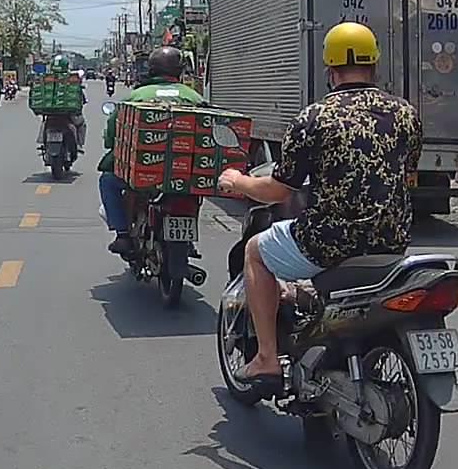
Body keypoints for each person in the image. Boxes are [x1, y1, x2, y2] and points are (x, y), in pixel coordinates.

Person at [216, 22, 422, 391]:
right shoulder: (406, 114)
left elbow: (278, 191)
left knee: (255, 252)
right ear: (375, 65)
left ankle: (266, 358)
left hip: (329, 242)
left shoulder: (314, 118)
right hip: (391, 241)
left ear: (330, 69)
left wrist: (237, 181)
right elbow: (407, 176)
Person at [98, 46, 204, 255]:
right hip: (185, 173)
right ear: (179, 71)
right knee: (195, 191)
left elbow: (113, 132)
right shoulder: (195, 98)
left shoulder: (137, 96)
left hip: (141, 172)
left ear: (151, 69)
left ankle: (122, 235)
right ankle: (188, 240)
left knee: (107, 181)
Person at [35, 55, 87, 155]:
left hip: (50, 114)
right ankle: (79, 144)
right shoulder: (71, 78)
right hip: (68, 114)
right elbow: (79, 96)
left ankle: (42, 142)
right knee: (81, 124)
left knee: (44, 123)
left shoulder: (46, 78)